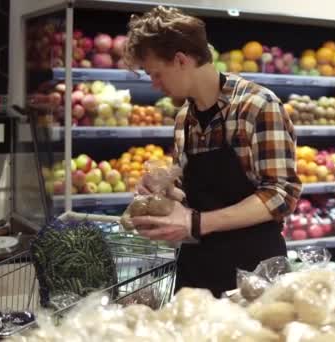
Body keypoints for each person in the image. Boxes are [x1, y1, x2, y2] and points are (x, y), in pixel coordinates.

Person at [124, 6, 302, 298]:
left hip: (255, 272)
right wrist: (164, 191)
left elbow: (281, 194)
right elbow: (189, 192)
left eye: (156, 74)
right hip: (198, 270)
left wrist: (196, 223)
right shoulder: (184, 117)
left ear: (181, 60)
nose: (155, 85)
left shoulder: (257, 106)